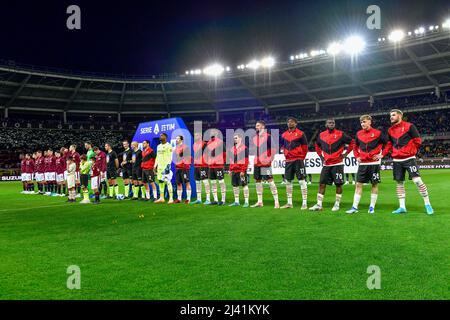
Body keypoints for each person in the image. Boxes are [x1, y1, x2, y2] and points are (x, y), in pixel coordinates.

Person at [378, 109, 433, 215]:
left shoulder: (409, 126)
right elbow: (389, 144)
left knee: (417, 180)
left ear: (400, 116)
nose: (391, 117)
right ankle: (402, 207)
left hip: (409, 158)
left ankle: (427, 204)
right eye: (390, 116)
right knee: (399, 183)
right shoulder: (390, 130)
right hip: (396, 160)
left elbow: (418, 141)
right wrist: (383, 154)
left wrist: (410, 151)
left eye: (393, 115)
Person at [310, 118, 354, 212]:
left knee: (338, 184)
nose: (331, 124)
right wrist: (321, 157)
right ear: (326, 124)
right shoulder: (321, 135)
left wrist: (345, 154)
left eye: (333, 123)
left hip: (338, 164)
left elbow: (352, 142)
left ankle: (337, 204)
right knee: (322, 184)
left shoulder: (340, 134)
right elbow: (317, 145)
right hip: (326, 164)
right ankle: (319, 204)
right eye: (329, 123)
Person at [346, 115, 387, 214]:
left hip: (374, 163)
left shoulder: (378, 133)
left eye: (364, 121)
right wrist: (357, 156)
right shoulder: (358, 134)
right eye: (361, 122)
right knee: (358, 184)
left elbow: (388, 144)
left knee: (374, 184)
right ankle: (354, 207)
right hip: (363, 163)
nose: (362, 124)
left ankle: (372, 207)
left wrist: (382, 154)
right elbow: (355, 147)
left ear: (370, 122)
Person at [280, 117, 309, 209]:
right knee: (288, 181)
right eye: (288, 122)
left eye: (292, 122)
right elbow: (283, 146)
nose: (290, 123)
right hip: (288, 161)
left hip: (298, 160)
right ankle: (289, 203)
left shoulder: (301, 133)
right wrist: (285, 154)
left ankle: (304, 203)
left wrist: (301, 157)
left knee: (302, 181)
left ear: (296, 123)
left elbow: (305, 147)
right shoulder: (284, 135)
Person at [251, 120, 279, 209]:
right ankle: (260, 202)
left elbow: (274, 149)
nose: (256, 127)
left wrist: (269, 160)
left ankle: (276, 202)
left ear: (263, 126)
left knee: (270, 181)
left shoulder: (268, 137)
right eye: (256, 125)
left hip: (265, 164)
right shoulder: (255, 138)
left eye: (258, 125)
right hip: (257, 163)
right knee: (258, 181)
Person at [205, 129, 226, 205]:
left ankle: (223, 200)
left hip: (218, 165)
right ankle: (215, 200)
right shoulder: (209, 142)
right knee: (213, 182)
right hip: (211, 166)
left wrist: (221, 162)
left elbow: (224, 153)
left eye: (213, 132)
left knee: (221, 182)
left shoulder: (220, 142)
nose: (212, 133)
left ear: (217, 133)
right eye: (211, 132)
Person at [228, 133, 250, 207]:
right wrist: (230, 170)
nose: (235, 139)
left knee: (244, 185)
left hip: (241, 171)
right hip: (234, 171)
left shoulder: (244, 148)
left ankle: (246, 202)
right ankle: (236, 201)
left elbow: (246, 160)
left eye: (236, 138)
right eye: (234, 138)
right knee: (235, 186)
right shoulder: (232, 148)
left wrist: (243, 170)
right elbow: (231, 160)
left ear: (240, 138)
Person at [191, 132, 211, 205]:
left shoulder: (205, 144)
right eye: (195, 135)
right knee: (197, 182)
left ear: (201, 136)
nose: (196, 137)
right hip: (196, 166)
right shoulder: (194, 145)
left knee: (205, 181)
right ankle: (199, 199)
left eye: (197, 135)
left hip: (203, 165)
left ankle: (208, 199)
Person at [154, 133, 174, 204]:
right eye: (160, 136)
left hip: (166, 167)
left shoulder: (169, 146)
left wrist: (168, 166)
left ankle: (171, 198)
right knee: (160, 182)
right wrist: (155, 165)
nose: (160, 137)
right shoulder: (158, 146)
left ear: (165, 137)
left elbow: (171, 156)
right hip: (159, 167)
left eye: (162, 136)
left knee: (168, 182)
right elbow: (157, 156)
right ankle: (162, 198)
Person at [174, 135, 192, 204]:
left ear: (181, 140)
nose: (176, 140)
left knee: (187, 183)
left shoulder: (185, 147)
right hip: (178, 168)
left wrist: (186, 165)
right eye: (176, 139)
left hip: (184, 168)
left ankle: (188, 199)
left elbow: (189, 157)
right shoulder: (176, 148)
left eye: (178, 139)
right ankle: (179, 199)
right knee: (178, 183)